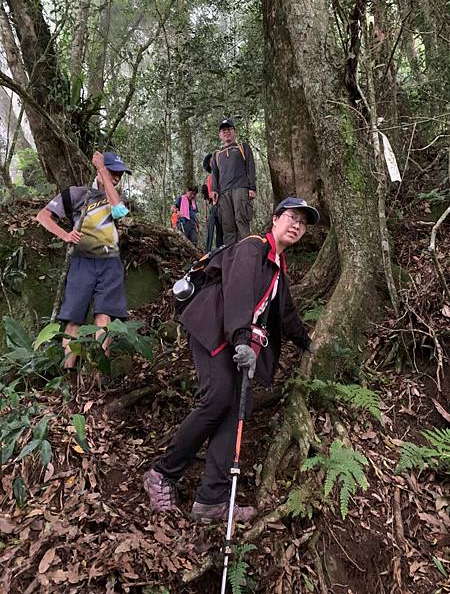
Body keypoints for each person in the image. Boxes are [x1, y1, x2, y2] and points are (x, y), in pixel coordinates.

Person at [143, 196, 319, 523]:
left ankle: (212, 499)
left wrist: (308, 343)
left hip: (234, 339)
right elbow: (238, 291)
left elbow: (286, 313)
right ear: (275, 218)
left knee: (238, 405)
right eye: (292, 217)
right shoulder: (252, 249)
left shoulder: (278, 267)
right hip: (213, 330)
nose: (297, 225)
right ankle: (162, 474)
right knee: (219, 397)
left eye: (303, 223)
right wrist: (243, 339)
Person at [36, 151, 131, 368]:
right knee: (73, 320)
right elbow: (43, 216)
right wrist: (65, 235)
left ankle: (99, 374)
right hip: (82, 263)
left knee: (104, 317)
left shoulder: (115, 198)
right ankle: (69, 373)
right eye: (113, 173)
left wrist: (103, 171)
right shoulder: (76, 194)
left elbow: (119, 212)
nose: (117, 178)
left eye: (119, 175)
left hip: (110, 263)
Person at [210, 118, 257, 245]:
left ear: (234, 131)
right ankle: (230, 257)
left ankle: (246, 253)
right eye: (223, 130)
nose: (226, 132)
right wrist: (214, 190)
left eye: (229, 129)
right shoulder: (216, 155)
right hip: (224, 193)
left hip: (240, 189)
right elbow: (214, 174)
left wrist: (252, 188)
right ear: (220, 135)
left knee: (241, 221)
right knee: (228, 226)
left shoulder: (243, 147)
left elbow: (250, 167)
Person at [202, 153, 223, 251]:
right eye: (211, 161)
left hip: (226, 205)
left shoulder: (223, 173)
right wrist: (207, 195)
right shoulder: (210, 177)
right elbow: (211, 195)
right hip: (216, 207)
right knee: (218, 231)